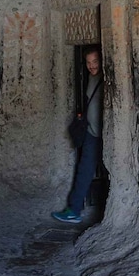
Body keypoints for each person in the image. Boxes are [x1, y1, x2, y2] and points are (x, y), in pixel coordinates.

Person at [52, 47, 103, 224]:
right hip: (91, 132)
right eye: (88, 63)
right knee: (84, 170)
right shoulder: (91, 78)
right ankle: (74, 210)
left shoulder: (107, 79)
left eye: (95, 61)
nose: (91, 66)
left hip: (106, 134)